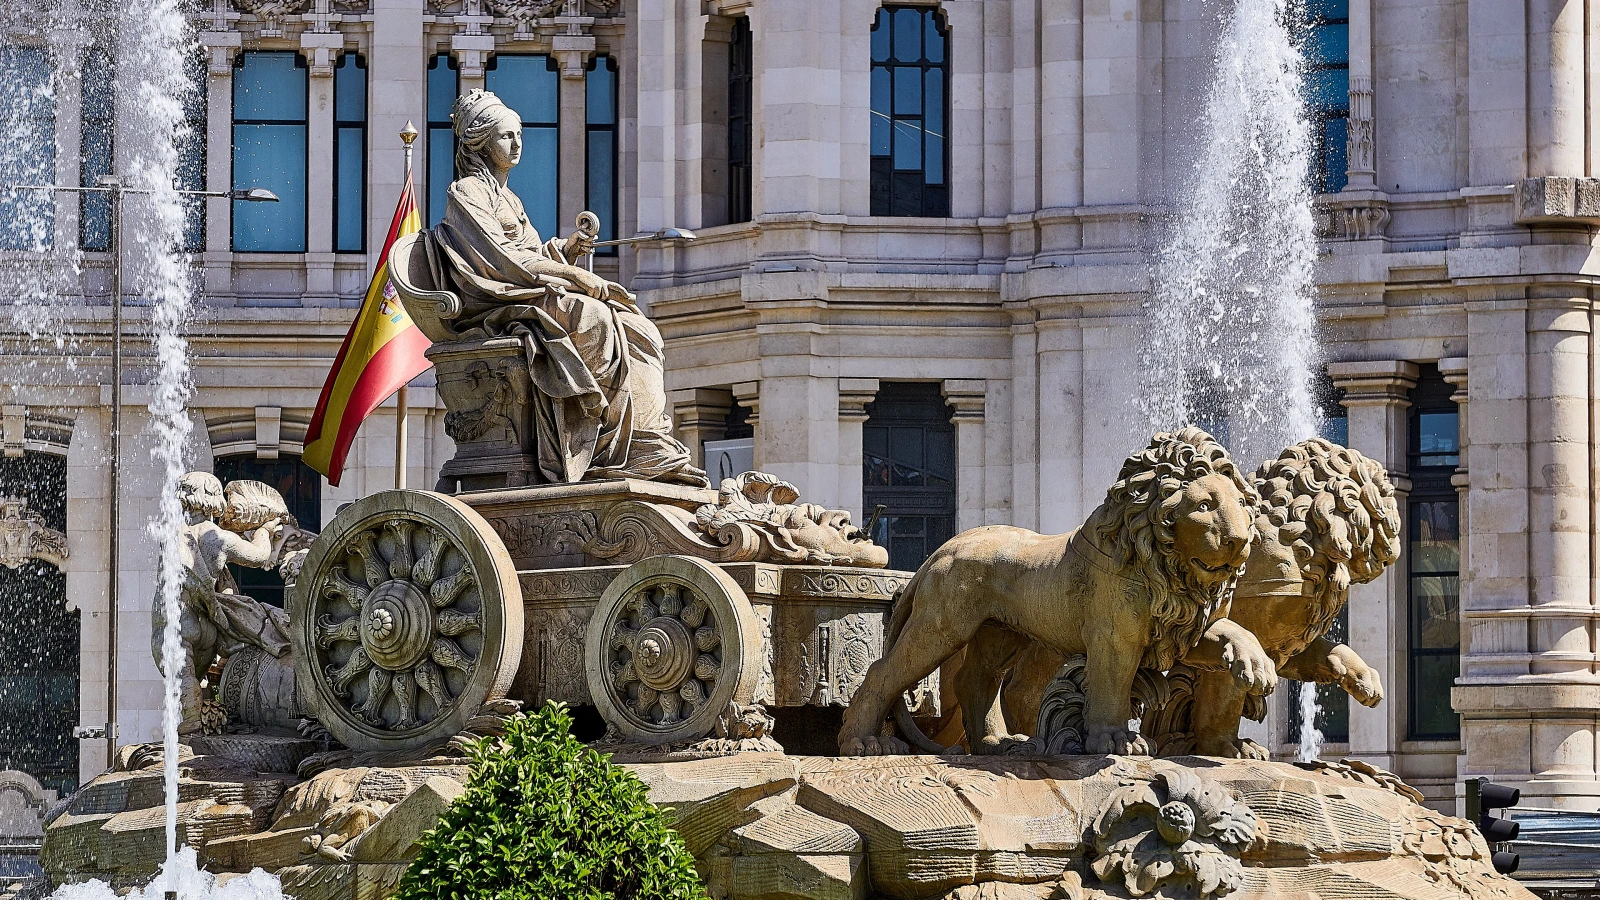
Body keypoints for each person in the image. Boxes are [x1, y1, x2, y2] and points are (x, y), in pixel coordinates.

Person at [429, 88, 708, 487]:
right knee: (594, 318)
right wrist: (575, 276)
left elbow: (528, 254)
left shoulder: (508, 197)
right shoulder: (467, 192)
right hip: (498, 304)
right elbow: (499, 261)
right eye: (506, 135)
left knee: (637, 326)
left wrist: (565, 251)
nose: (517, 143)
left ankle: (642, 437)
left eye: (519, 134)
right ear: (480, 140)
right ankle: (601, 446)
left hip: (531, 292)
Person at [154, 472, 291, 734]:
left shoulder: (173, 536)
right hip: (210, 627)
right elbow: (261, 556)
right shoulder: (220, 538)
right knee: (202, 682)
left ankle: (189, 735)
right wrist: (263, 531)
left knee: (183, 680)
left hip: (180, 622)